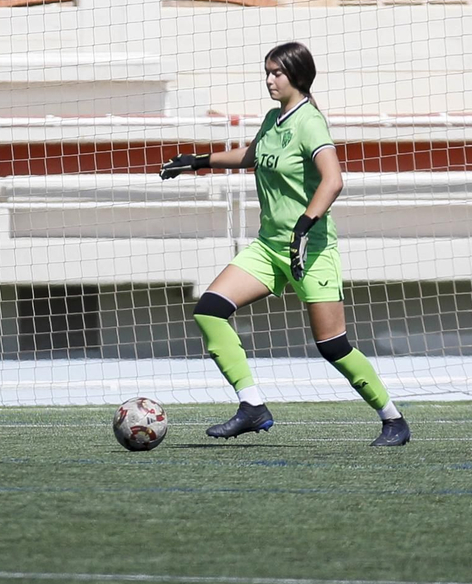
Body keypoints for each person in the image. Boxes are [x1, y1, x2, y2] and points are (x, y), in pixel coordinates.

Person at [161, 42, 410, 447]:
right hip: (268, 248)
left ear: (298, 76)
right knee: (209, 311)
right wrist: (199, 161)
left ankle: (392, 419)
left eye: (276, 72)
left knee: (333, 346)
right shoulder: (274, 118)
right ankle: (252, 406)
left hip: (310, 252)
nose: (269, 79)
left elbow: (333, 180)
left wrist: (304, 226)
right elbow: (253, 156)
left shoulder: (310, 122)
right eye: (267, 72)